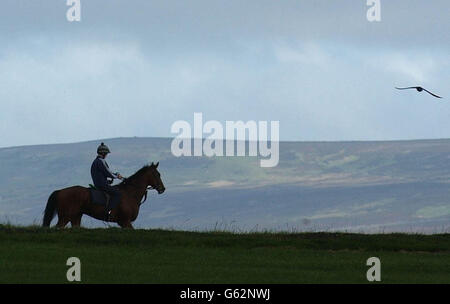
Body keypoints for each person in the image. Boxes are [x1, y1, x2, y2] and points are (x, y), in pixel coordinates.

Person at [90, 142, 123, 221]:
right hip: (102, 185)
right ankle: (107, 211)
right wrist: (117, 176)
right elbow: (108, 172)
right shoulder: (100, 161)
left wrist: (108, 181)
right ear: (104, 153)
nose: (107, 155)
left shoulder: (96, 161)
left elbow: (101, 174)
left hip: (99, 183)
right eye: (106, 153)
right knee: (117, 193)